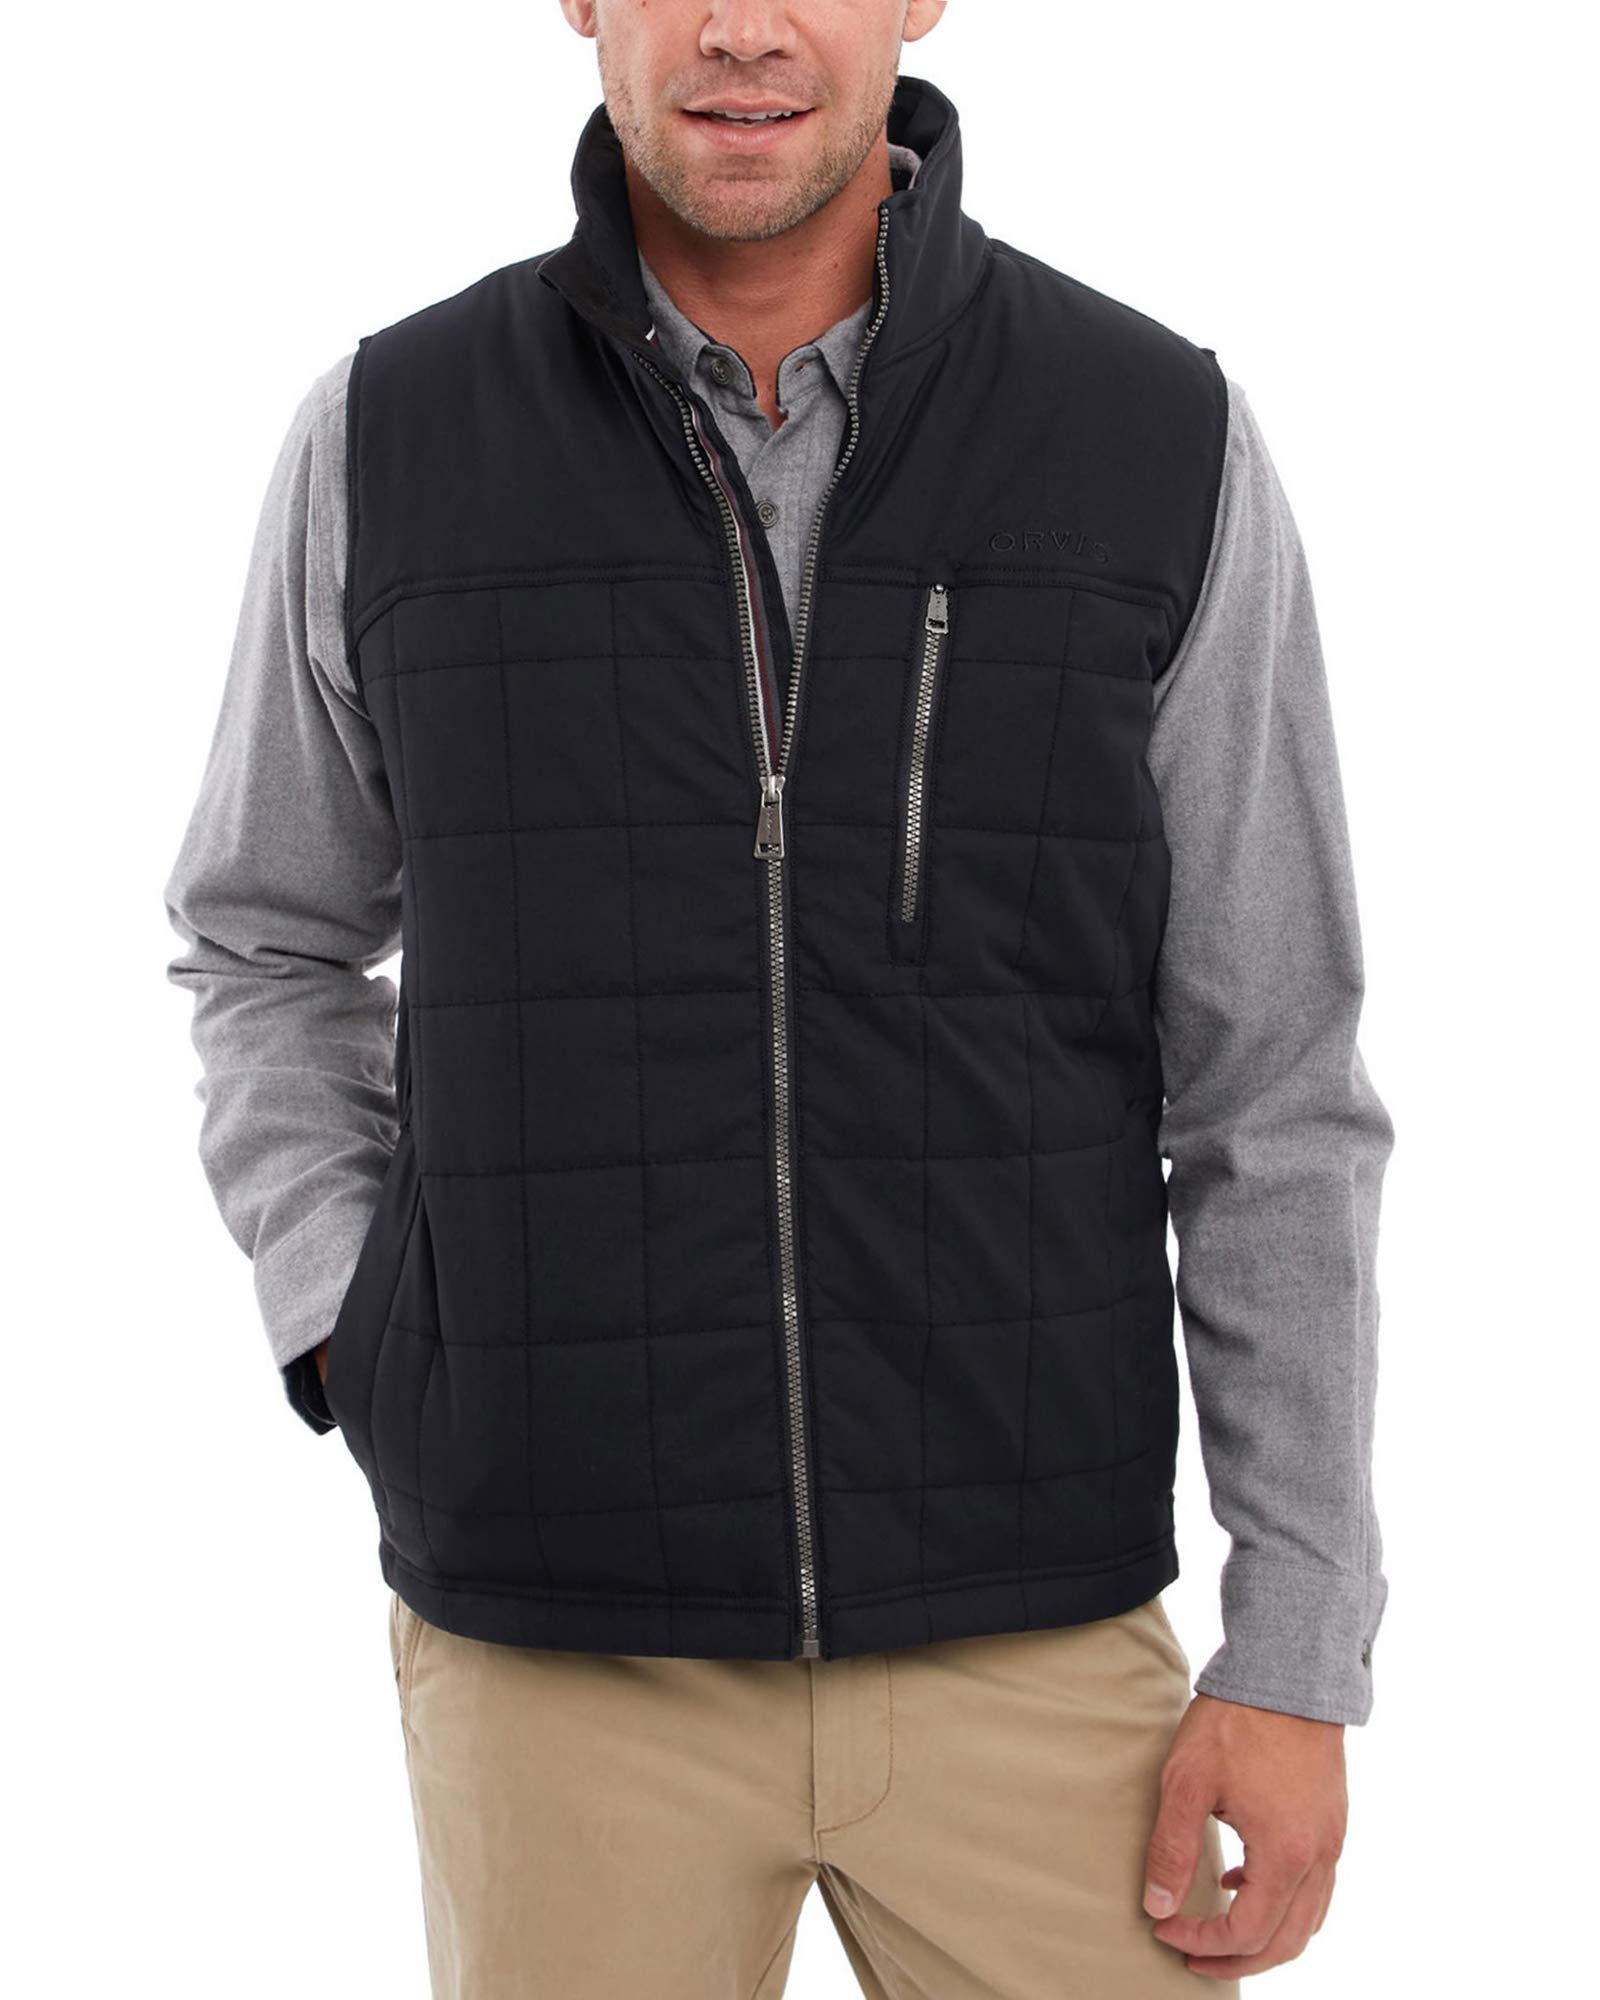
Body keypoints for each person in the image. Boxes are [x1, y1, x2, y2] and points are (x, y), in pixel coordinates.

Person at [162, 3, 1395, 1992]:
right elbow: (266, 939)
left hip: (1039, 1647)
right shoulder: (391, 436)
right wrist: (353, 1320)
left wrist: (1301, 1642)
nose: (741, 25)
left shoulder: (1147, 431)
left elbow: (1273, 1081)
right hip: (558, 1665)